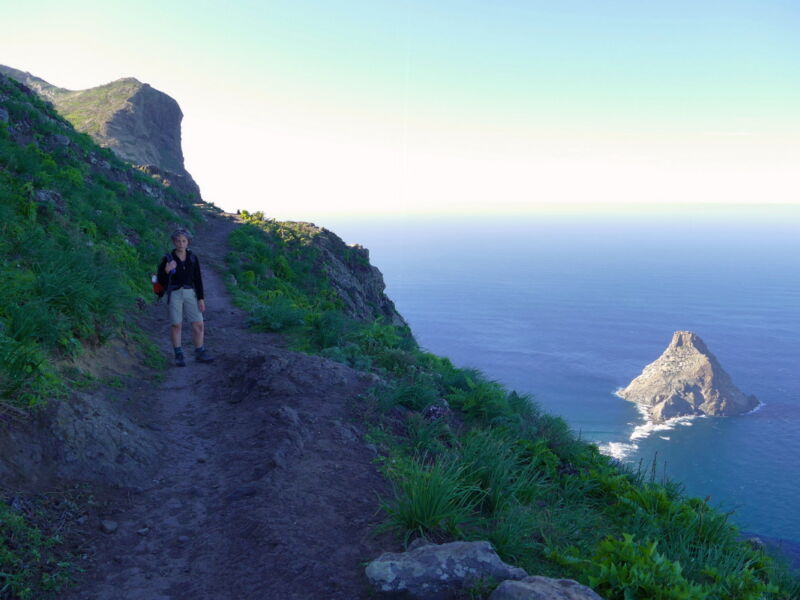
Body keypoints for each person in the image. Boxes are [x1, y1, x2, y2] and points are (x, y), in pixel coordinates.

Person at [157, 228, 213, 366]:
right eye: (178, 241)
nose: (181, 243)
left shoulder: (193, 258)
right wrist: (166, 270)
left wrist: (201, 299)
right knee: (176, 325)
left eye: (184, 241)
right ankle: (178, 354)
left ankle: (200, 351)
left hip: (190, 293)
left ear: (188, 242)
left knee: (199, 324)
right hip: (174, 293)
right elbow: (160, 280)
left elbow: (198, 279)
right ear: (174, 242)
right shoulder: (167, 259)